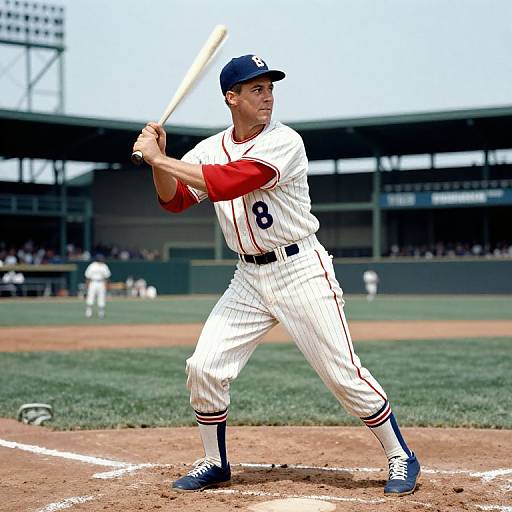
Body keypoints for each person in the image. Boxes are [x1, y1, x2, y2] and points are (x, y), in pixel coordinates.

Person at [133, 54, 420, 497]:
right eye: (256, 89)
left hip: (299, 268)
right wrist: (157, 161)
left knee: (342, 374)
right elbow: (173, 201)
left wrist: (162, 157)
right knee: (204, 367)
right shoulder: (210, 148)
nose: (268, 97)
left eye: (269, 88)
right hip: (247, 277)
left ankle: (401, 455)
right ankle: (214, 461)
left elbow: (230, 182)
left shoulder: (284, 141)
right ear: (231, 98)